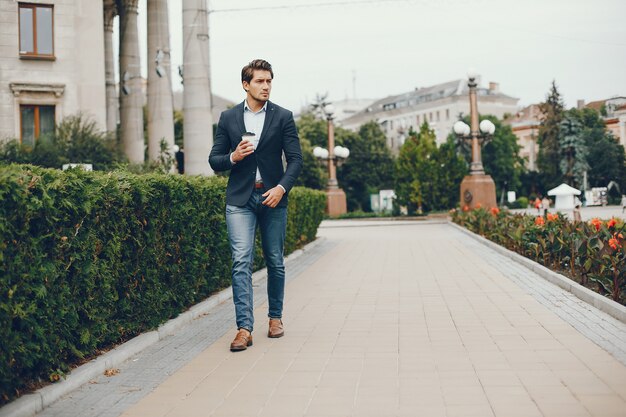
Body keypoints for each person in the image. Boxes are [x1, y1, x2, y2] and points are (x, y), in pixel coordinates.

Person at [208, 59, 303, 352]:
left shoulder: (283, 117)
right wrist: (233, 157)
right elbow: (215, 160)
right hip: (240, 199)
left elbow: (296, 160)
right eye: (260, 81)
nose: (266, 86)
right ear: (246, 84)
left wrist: (281, 188)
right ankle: (244, 328)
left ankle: (275, 318)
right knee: (241, 262)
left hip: (273, 197)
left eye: (269, 81)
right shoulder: (228, 118)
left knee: (275, 260)